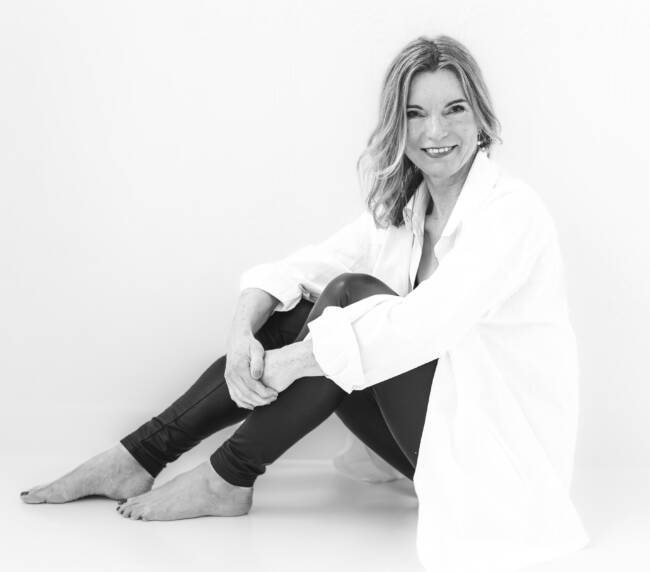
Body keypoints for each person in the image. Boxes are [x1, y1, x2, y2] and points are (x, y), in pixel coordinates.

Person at [20, 35, 589, 572]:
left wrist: (293, 361)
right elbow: (302, 269)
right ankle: (139, 455)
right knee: (296, 310)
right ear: (397, 124)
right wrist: (242, 333)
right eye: (415, 113)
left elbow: (424, 326)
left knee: (348, 299)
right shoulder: (406, 210)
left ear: (481, 116)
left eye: (454, 109)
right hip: (429, 445)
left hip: (491, 461)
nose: (434, 130)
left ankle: (227, 477)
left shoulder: (511, 214)